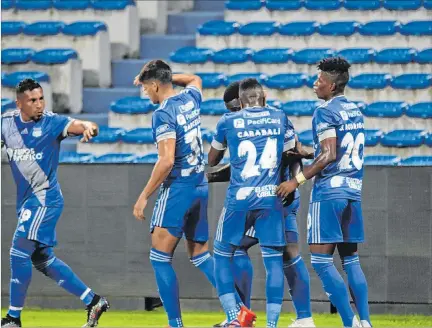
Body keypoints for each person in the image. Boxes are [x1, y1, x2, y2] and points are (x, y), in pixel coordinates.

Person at [1, 79, 109, 328]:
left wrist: (89, 127)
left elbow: (80, 124)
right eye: (32, 100)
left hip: (44, 199)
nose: (39, 104)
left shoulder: (52, 122)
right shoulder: (7, 123)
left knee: (18, 253)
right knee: (42, 260)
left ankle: (13, 319)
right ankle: (93, 301)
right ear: (19, 103)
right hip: (27, 201)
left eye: (41, 99)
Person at [209, 81, 314, 328]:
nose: (235, 111)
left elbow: (293, 156)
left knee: (288, 254)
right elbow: (292, 152)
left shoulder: (232, 121)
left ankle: (301, 317)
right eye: (231, 108)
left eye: (236, 106)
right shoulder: (278, 117)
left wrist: (293, 183)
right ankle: (249, 318)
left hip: (278, 196)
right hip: (270, 197)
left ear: (243, 101)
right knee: (269, 255)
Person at [277, 57, 371, 328]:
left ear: (331, 85)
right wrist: (308, 152)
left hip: (329, 192)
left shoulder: (324, 111)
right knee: (351, 260)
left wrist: (296, 180)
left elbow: (329, 155)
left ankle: (348, 323)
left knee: (320, 261)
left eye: (319, 79)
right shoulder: (354, 109)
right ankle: (365, 322)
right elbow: (335, 150)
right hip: (353, 190)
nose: (315, 83)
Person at [132, 60, 225, 328]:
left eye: (146, 87)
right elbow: (195, 78)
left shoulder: (162, 113)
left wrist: (144, 196)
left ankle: (175, 324)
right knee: (200, 254)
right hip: (199, 185)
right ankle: (237, 312)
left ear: (154, 85)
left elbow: (166, 160)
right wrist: (168, 77)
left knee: (159, 257)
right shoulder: (189, 100)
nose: (145, 93)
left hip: (179, 188)